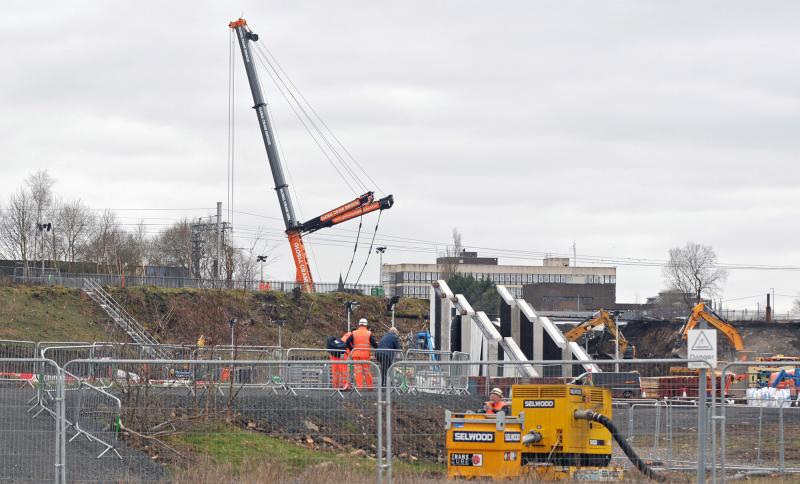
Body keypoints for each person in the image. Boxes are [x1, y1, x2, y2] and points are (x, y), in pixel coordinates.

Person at [345, 318, 378, 389]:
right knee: (367, 371)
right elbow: (374, 344)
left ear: (359, 324)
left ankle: (359, 387)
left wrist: (352, 349)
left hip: (356, 355)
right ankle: (370, 387)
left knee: (358, 372)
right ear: (366, 325)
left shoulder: (354, 333)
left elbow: (347, 342)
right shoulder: (368, 333)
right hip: (365, 355)